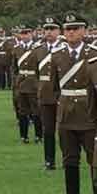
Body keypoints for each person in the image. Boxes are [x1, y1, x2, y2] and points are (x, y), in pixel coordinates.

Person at [51, 13, 97, 194]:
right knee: (69, 160)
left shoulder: (94, 55)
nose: (71, 32)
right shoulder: (57, 56)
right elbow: (54, 89)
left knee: (95, 161)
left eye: (75, 28)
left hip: (89, 116)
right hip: (66, 117)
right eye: (68, 29)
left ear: (84, 31)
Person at [35, 17, 64, 170]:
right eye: (46, 29)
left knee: (66, 131)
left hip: (63, 94)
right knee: (48, 130)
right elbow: (35, 73)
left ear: (59, 31)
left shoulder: (65, 48)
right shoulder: (38, 49)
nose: (49, 32)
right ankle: (49, 160)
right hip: (45, 94)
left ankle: (69, 159)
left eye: (52, 29)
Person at [12, 26, 42, 143]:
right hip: (21, 83)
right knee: (22, 111)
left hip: (33, 82)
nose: (25, 36)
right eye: (23, 34)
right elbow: (14, 68)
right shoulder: (17, 48)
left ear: (32, 34)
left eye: (27, 33)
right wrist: (15, 82)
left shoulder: (38, 48)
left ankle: (38, 136)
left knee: (36, 111)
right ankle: (23, 136)